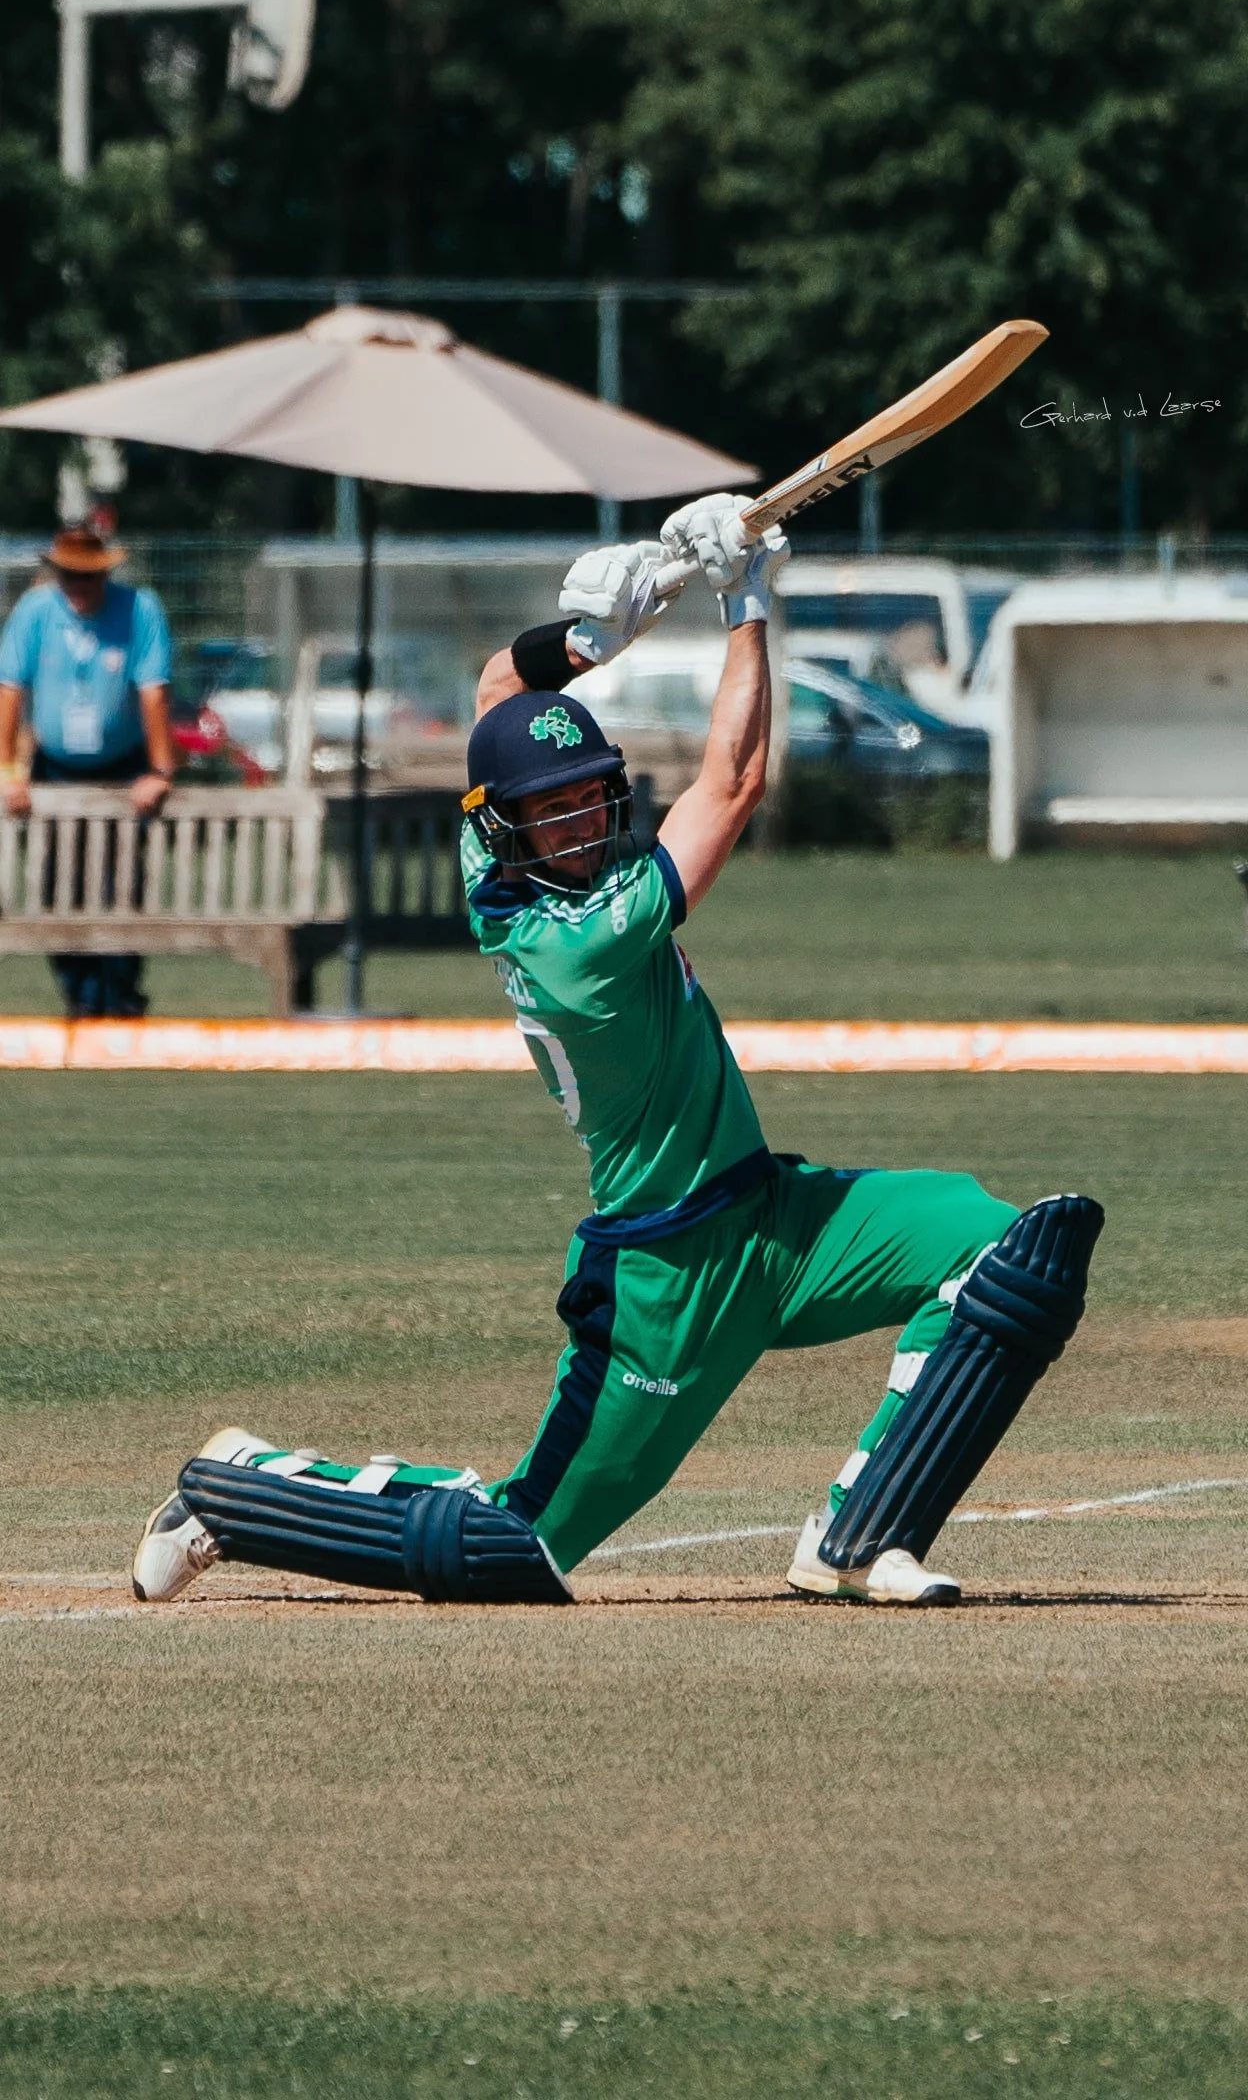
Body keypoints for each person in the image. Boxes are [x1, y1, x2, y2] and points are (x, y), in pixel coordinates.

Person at [132, 495, 1103, 1609]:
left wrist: (590, 641)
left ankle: (859, 1535)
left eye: (594, 797)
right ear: (509, 826)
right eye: (555, 815)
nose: (585, 827)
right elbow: (732, 786)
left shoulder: (489, 844)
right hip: (667, 1275)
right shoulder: (579, 943)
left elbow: (501, 693)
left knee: (1007, 1251)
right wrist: (743, 603)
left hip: (776, 1218)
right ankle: (236, 1484)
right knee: (512, 1547)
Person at [0, 525, 176, 1017]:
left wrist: (161, 771)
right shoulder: (34, 612)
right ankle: (80, 996)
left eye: (88, 577)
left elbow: (154, 692)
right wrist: (8, 772)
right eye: (69, 576)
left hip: (124, 767)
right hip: (53, 768)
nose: (78, 588)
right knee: (59, 883)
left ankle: (120, 997)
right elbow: (9, 691)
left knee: (121, 882)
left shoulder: (141, 610)